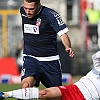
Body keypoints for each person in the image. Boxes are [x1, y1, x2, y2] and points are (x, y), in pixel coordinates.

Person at [20, 0, 74, 90]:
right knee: (26, 86)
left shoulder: (50, 15)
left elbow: (63, 34)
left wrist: (67, 46)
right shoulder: (22, 11)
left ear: (39, 5)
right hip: (30, 58)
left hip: (50, 61)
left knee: (56, 95)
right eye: (25, 8)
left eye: (31, 9)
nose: (27, 11)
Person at [0, 51, 100, 100]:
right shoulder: (98, 67)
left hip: (86, 98)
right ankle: (5, 94)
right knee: (44, 93)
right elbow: (95, 56)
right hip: (74, 89)